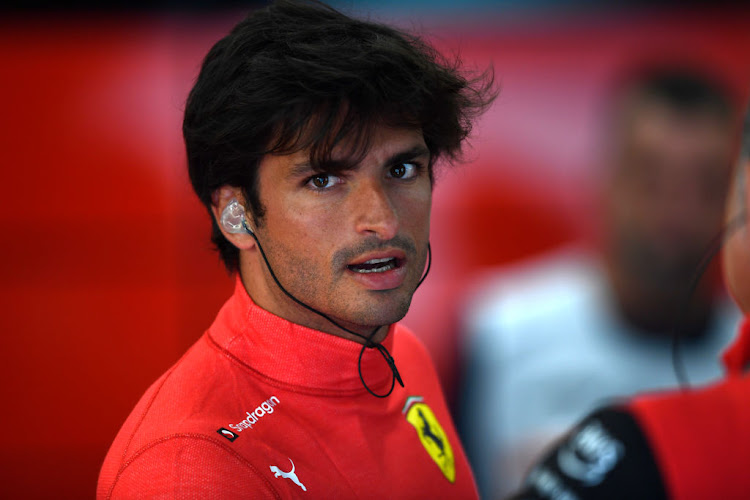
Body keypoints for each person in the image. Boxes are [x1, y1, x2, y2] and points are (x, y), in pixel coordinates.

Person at [97, 1, 494, 498]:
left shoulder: (400, 352)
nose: (383, 220)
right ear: (235, 215)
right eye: (323, 179)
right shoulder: (189, 466)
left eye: (401, 170)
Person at [458, 66, 740, 499]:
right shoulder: (500, 330)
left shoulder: (742, 354)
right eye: (651, 179)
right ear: (604, 176)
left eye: (705, 185)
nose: (676, 210)